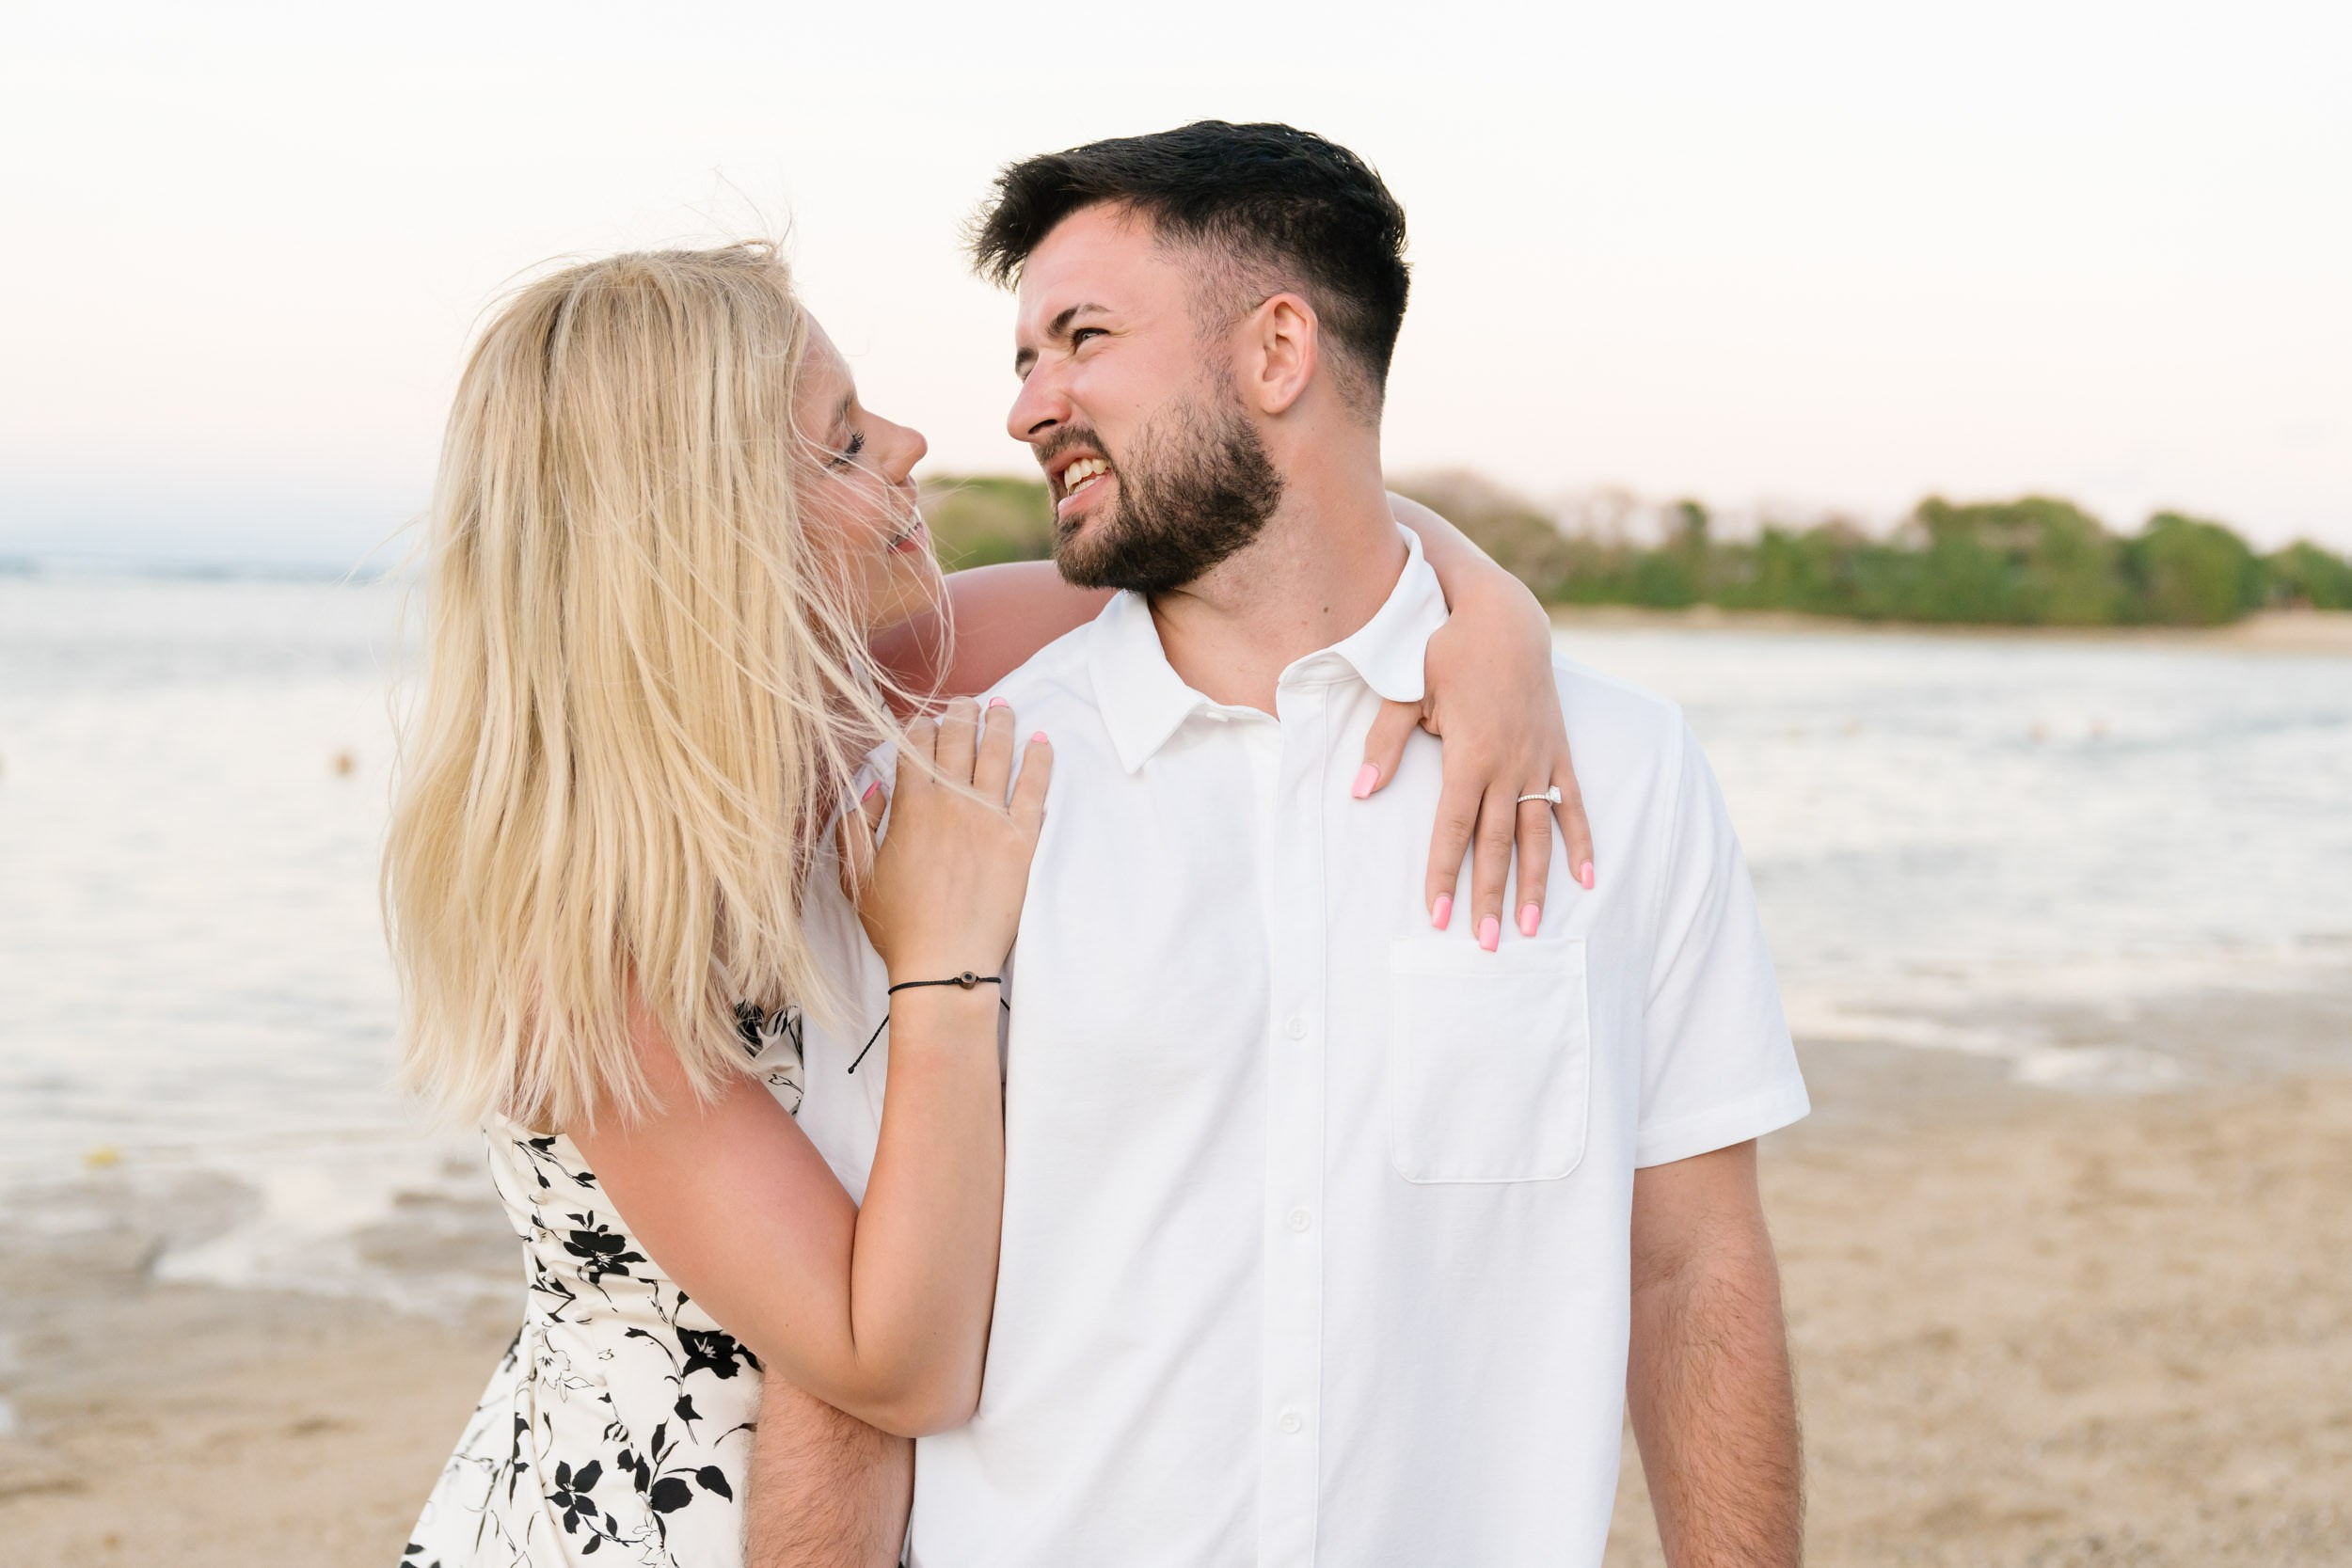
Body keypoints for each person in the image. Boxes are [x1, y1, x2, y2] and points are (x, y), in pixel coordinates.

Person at [388, 244, 1586, 1566]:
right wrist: (945, 967)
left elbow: (1283, 535)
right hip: (636, 1532)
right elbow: (891, 1369)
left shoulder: (894, 684)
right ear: (700, 530)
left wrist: (1496, 615)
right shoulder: (589, 923)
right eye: (844, 446)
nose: (910, 446)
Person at [764, 122, 1811, 1568]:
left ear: (1276, 354)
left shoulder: (1621, 775)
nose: (1026, 409)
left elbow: (1695, 1266)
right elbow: (848, 1376)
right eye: (1023, 358)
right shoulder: (948, 796)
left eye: (1079, 339)